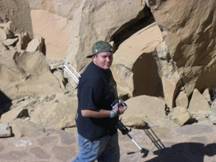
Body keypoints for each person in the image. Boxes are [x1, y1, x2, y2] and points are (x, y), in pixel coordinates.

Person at [73, 41, 126, 162]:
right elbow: (86, 111)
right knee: (85, 160)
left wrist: (117, 106)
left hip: (108, 130)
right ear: (94, 57)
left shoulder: (105, 70)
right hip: (94, 135)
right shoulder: (92, 80)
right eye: (104, 57)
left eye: (110, 56)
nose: (108, 60)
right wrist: (112, 113)